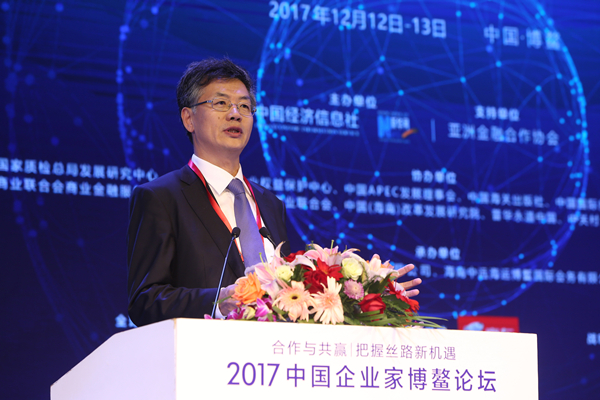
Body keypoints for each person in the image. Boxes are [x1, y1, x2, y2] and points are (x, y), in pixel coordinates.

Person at [127, 57, 421, 327]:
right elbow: (145, 301)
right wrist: (218, 301)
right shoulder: (162, 198)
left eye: (244, 106)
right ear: (188, 118)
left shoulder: (270, 204)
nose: (235, 114)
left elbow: (289, 294)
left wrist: (368, 291)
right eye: (221, 103)